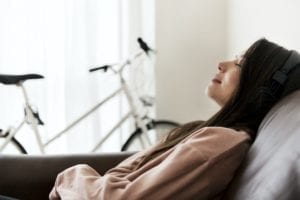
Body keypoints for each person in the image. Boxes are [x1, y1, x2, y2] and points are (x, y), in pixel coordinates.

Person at [49, 38, 300, 200]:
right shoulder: (200, 131)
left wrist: (71, 176)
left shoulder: (220, 143)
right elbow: (118, 175)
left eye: (240, 63)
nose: (222, 64)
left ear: (262, 90)